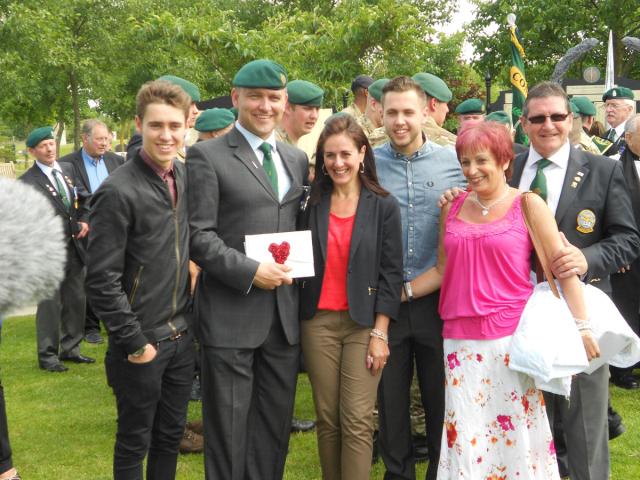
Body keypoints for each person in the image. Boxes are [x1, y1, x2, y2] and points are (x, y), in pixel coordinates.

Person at [407, 120, 598, 479]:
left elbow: (562, 268)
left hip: (509, 343)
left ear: (503, 160)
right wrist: (397, 295)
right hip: (459, 344)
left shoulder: (527, 205)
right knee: (465, 434)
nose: (472, 170)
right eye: (465, 162)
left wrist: (583, 327)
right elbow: (442, 270)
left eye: (481, 161)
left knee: (515, 437)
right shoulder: (453, 207)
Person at [187, 59, 308, 480]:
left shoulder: (295, 158)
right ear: (236, 98)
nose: (264, 106)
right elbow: (198, 236)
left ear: (284, 102)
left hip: (283, 321)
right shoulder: (206, 156)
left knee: (273, 432)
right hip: (230, 317)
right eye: (254, 97)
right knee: (228, 434)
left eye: (273, 98)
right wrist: (249, 271)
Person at [513, 82, 638, 480]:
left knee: (585, 425)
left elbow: (628, 239)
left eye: (556, 116)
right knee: (529, 424)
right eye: (538, 118)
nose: (548, 124)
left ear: (572, 121)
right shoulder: (508, 169)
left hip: (581, 316)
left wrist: (585, 258)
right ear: (524, 123)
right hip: (518, 315)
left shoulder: (603, 169)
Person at [86, 80, 195, 479]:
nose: (166, 135)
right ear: (138, 125)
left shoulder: (182, 176)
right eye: (155, 126)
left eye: (174, 125)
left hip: (182, 338)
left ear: (186, 126)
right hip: (141, 344)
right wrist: (135, 343)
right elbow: (100, 280)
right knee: (134, 442)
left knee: (169, 438)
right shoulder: (117, 191)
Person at [299, 114, 403, 479]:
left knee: (357, 418)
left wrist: (380, 333)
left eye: (345, 154)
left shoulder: (383, 205)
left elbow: (392, 274)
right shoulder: (309, 204)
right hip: (318, 323)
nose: (338, 163)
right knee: (328, 419)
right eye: (330, 156)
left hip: (364, 324)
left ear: (362, 154)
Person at [374, 76, 466, 480]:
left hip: (438, 301)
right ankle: (399, 474)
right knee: (390, 403)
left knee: (440, 399)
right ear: (380, 111)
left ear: (426, 110)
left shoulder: (453, 164)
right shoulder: (368, 165)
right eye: (391, 112)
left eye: (408, 112)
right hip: (386, 303)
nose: (399, 121)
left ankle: (440, 473)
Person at [20, 126, 94, 372]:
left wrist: (84, 219)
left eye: (51, 143)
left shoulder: (68, 169)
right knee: (50, 305)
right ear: (32, 151)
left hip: (75, 248)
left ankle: (71, 349)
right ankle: (48, 356)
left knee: (76, 300)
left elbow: (83, 199)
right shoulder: (27, 182)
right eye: (43, 146)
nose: (50, 149)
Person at [59, 118, 125, 345]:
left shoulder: (117, 161)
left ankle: (116, 321)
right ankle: (90, 326)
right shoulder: (67, 164)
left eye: (107, 138)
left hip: (116, 226)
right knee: (88, 278)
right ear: (85, 139)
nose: (104, 143)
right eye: (99, 139)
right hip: (86, 229)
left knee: (115, 276)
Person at [611, 113, 640, 389]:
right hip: (628, 255)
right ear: (628, 138)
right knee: (626, 309)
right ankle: (623, 368)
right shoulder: (612, 167)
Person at [126, 75, 201, 161]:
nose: (196, 111)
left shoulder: (185, 144)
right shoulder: (142, 138)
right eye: (190, 104)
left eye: (175, 126)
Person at [278, 79, 324, 146]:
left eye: (317, 109)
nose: (314, 116)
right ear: (287, 107)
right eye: (308, 109)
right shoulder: (274, 145)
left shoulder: (286, 145)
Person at [601, 86, 635, 158]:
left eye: (614, 105)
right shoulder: (603, 137)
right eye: (607, 105)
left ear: (629, 109)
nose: (608, 109)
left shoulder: (635, 136)